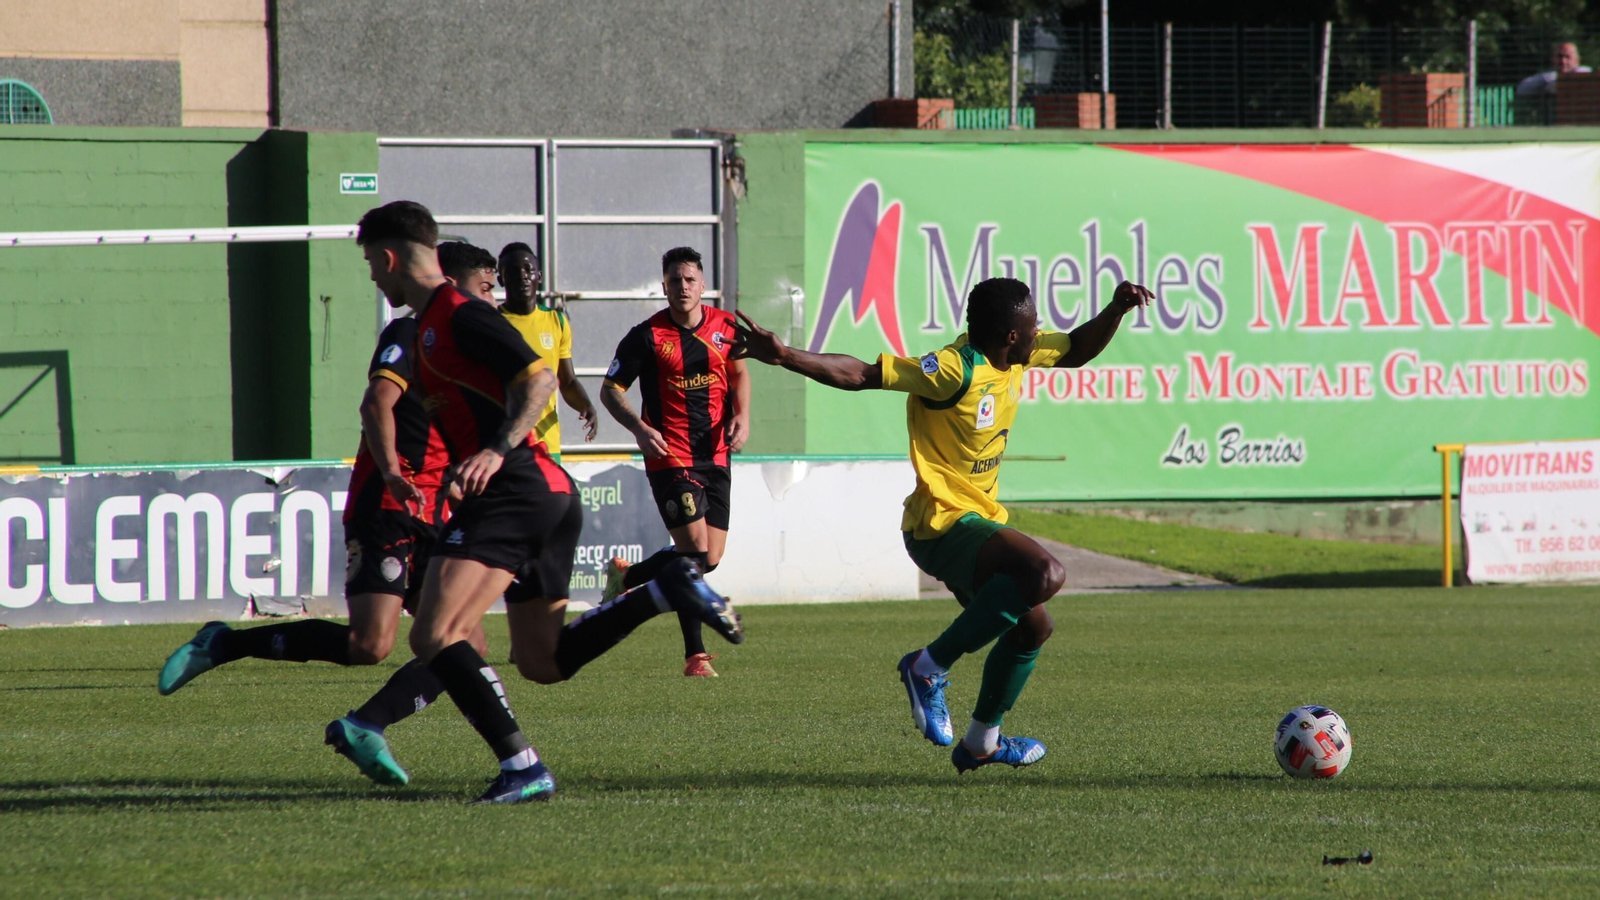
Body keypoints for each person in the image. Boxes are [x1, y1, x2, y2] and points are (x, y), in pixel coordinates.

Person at [355, 201, 742, 804]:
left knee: (437, 634)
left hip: (516, 489)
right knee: (541, 661)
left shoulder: (453, 313)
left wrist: (494, 450)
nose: (373, 278)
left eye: (369, 265)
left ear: (387, 258)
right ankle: (662, 591)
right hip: (543, 492)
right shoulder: (429, 324)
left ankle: (521, 767)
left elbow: (539, 379)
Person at [731, 276, 1153, 774]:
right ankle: (926, 667)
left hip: (975, 522)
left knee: (1034, 627)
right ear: (1011, 336)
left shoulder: (1018, 354)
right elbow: (862, 374)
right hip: (940, 524)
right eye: (1033, 325)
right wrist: (785, 356)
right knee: (1045, 573)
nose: (1040, 331)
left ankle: (982, 743)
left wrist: (1116, 309)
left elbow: (1078, 349)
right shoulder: (954, 369)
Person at [156, 242, 504, 789]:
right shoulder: (411, 333)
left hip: (436, 512)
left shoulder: (470, 352)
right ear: (453, 285)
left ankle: (368, 723)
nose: (492, 300)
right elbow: (376, 403)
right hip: (388, 504)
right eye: (484, 288)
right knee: (371, 645)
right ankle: (224, 643)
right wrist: (392, 471)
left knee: (467, 642)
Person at [598, 246, 751, 678]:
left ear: (702, 285)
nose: (682, 287)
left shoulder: (726, 328)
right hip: (670, 457)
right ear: (664, 286)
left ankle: (628, 578)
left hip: (715, 454)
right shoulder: (646, 336)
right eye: (674, 280)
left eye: (689, 280)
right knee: (693, 554)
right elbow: (611, 389)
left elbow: (740, 374)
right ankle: (695, 656)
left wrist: (742, 415)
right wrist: (639, 429)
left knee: (710, 557)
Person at [496, 242, 599, 462]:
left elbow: (567, 381)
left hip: (547, 443)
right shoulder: (492, 322)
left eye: (528, 270)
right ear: (501, 280)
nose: (522, 276)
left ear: (539, 276)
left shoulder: (556, 321)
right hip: (505, 445)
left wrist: (586, 405)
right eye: (512, 271)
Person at [1517, 42, 1592, 97]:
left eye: (1568, 57)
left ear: (1577, 60)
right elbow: (1522, 88)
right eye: (1559, 56)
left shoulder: (1586, 73)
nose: (1563, 61)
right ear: (1552, 59)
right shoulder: (1547, 77)